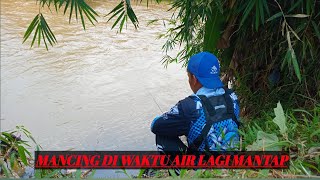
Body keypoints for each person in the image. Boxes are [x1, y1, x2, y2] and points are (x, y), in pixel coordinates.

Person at [149, 52, 240, 175]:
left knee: (162, 133)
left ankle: (180, 174)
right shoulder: (232, 97)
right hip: (232, 163)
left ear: (194, 78)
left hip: (203, 170)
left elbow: (156, 126)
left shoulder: (189, 106)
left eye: (188, 76)